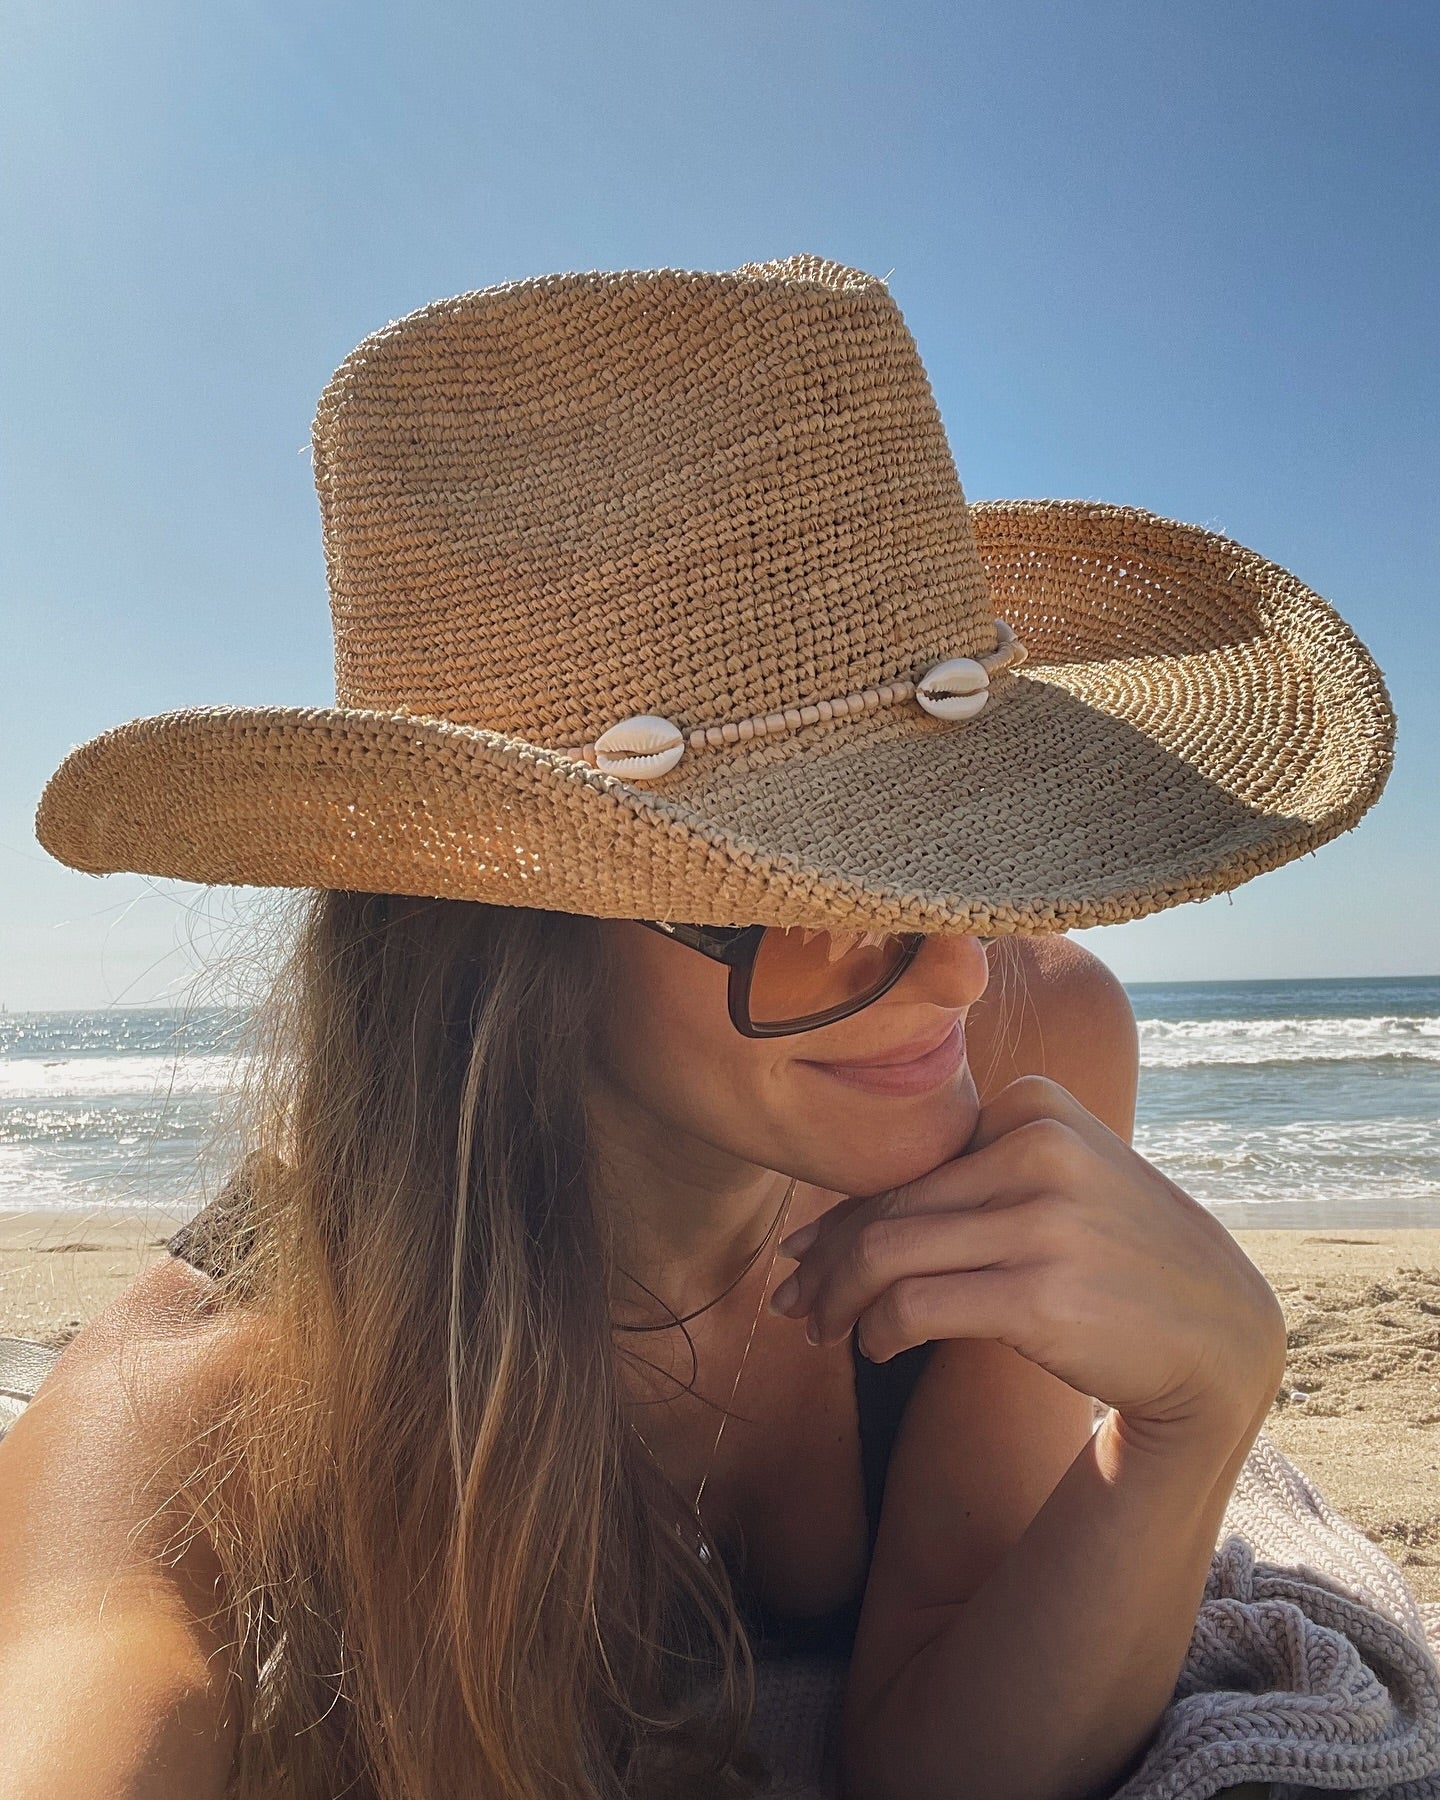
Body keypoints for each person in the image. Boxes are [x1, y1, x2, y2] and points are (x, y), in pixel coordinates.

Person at [1, 255, 1393, 1800]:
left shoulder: (1034, 1034)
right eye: (819, 892)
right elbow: (78, 1677)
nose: (953, 976)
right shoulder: (220, 1379)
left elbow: (941, 1762)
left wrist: (1196, 1420)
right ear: (509, 927)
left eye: (970, 866)